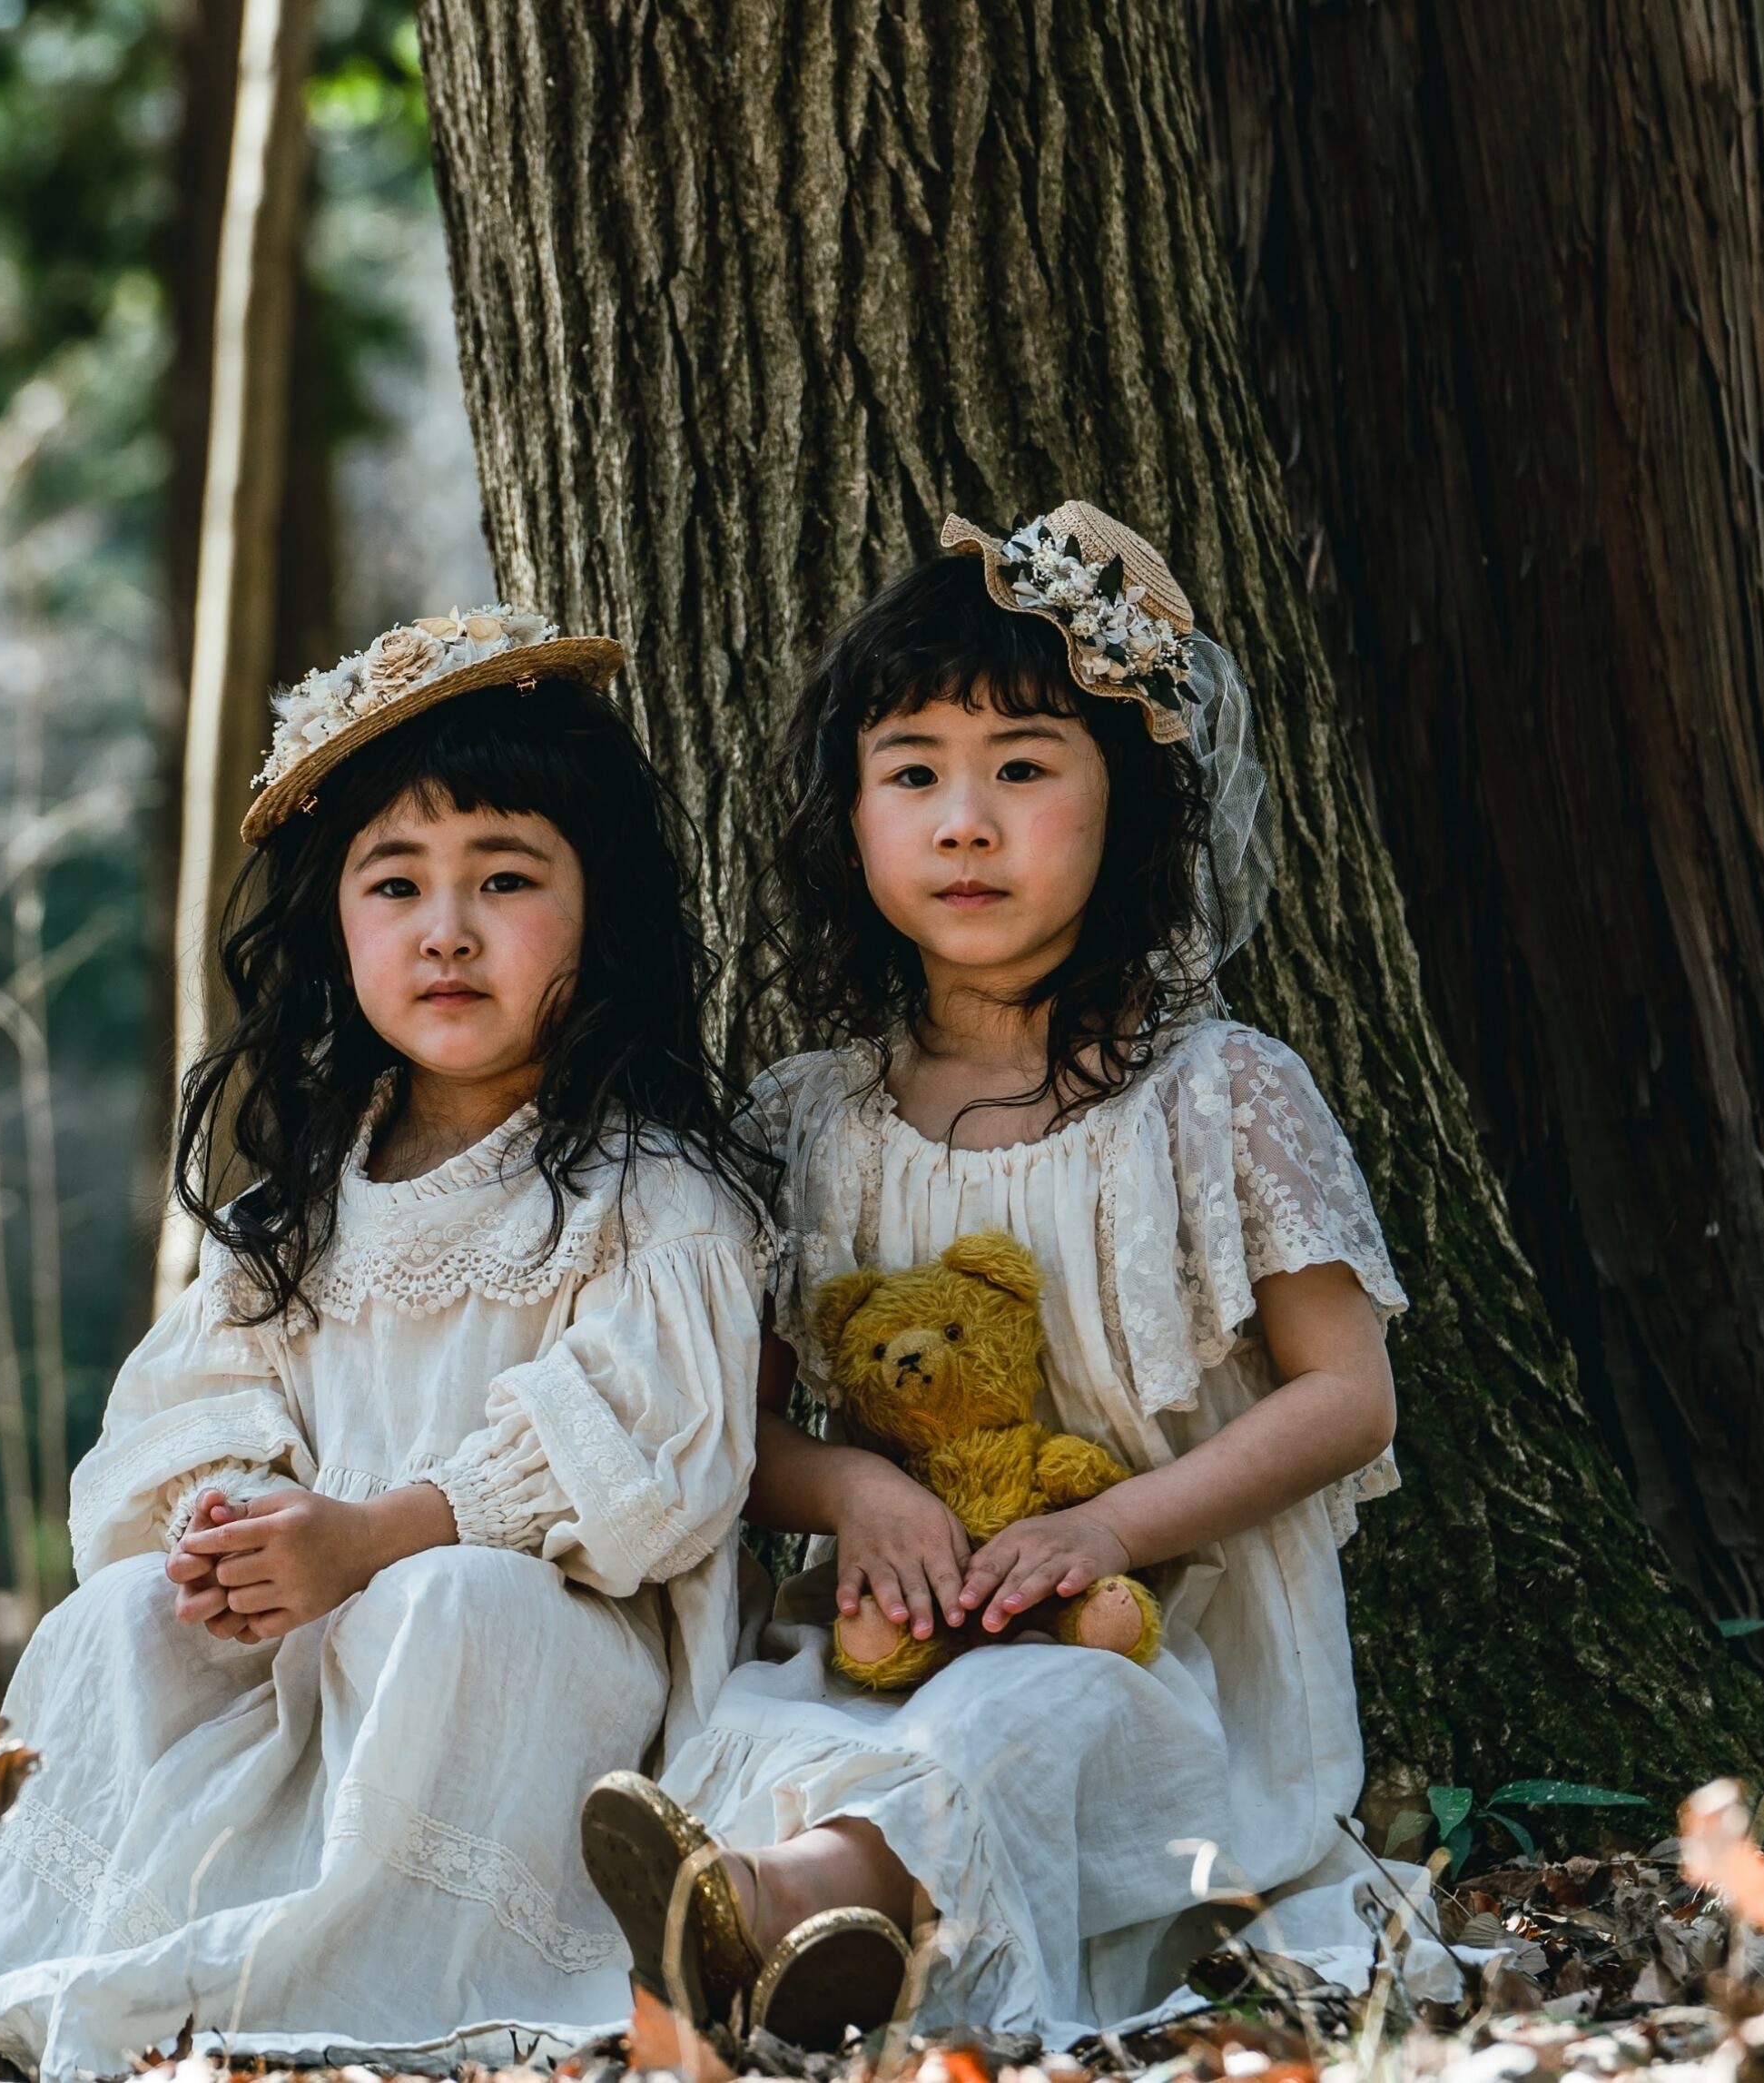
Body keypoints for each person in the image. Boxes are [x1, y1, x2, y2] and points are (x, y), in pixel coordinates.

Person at [0, 610, 771, 2077]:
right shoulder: (297, 1212)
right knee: (112, 1620)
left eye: (504, 879)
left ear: (602, 910)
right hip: (310, 1625)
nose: (444, 926)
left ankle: (382, 1967)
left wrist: (380, 1534)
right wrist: (230, 1520)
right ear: (335, 923)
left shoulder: (646, 1193)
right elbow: (194, 1402)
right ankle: (101, 1944)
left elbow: (651, 1460)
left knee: (441, 1605)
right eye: (394, 883)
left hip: (538, 1655)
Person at [580, 506, 1429, 2052]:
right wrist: (851, 1493)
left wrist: (1103, 1523)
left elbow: (1346, 1396)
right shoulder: (802, 1120)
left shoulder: (1217, 1094)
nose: (964, 821)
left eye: (1023, 768)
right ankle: (798, 1931)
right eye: (911, 773)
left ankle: (778, 1919)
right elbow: (740, 1433)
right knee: (773, 1727)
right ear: (849, 823)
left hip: (1155, 1645)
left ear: (1133, 811)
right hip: (888, 1628)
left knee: (1022, 1719)